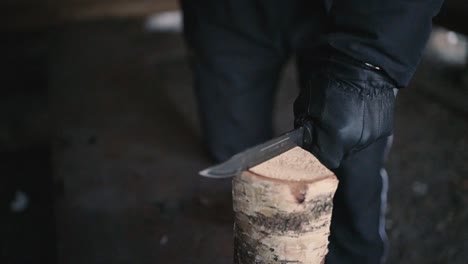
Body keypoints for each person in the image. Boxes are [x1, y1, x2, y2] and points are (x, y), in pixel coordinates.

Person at [180, 0, 444, 263]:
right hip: (227, 12)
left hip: (346, 12)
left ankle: (352, 255)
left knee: (351, 158)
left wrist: (370, 65)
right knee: (231, 146)